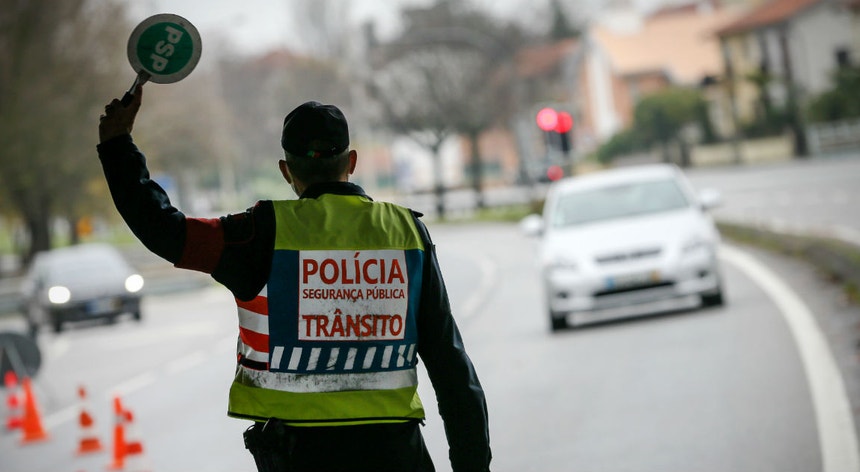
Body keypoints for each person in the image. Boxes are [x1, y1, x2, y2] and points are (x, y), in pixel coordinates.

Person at [97, 86, 492, 472]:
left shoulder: (258, 234)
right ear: (351, 161)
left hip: (299, 457)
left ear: (286, 171)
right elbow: (452, 369)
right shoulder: (407, 234)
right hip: (397, 454)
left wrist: (118, 144)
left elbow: (166, 231)